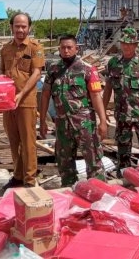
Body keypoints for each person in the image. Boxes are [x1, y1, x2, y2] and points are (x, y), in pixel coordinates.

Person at [40, 35, 108, 186]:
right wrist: (42, 120)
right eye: (63, 47)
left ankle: (98, 193)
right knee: (65, 165)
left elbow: (96, 96)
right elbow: (45, 95)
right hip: (63, 126)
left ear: (76, 49)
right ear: (59, 49)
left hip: (84, 124)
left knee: (94, 163)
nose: (66, 50)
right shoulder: (53, 70)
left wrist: (103, 121)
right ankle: (70, 194)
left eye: (70, 47)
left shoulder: (87, 69)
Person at [0, 13, 45, 188]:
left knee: (28, 142)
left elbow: (36, 73)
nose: (20, 29)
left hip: (26, 101)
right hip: (8, 102)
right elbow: (1, 72)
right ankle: (17, 176)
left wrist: (21, 93)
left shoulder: (35, 48)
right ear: (11, 27)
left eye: (24, 26)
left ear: (29, 28)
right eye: (17, 26)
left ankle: (30, 179)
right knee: (13, 141)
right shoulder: (5, 49)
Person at [103, 27, 139, 169]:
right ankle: (124, 176)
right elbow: (108, 88)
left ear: (135, 45)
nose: (126, 46)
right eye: (124, 43)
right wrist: (102, 112)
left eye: (130, 44)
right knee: (123, 151)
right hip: (122, 115)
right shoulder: (113, 63)